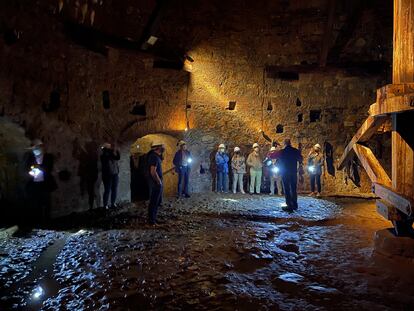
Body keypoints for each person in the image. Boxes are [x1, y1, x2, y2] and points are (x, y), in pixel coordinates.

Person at [25, 139, 56, 225]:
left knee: (46, 203)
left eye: (37, 147)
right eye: (33, 148)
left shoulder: (48, 157)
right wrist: (30, 172)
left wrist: (38, 167)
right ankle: (38, 222)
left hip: (45, 184)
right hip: (35, 184)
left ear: (41, 147)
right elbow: (27, 168)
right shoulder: (30, 158)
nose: (35, 149)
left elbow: (48, 169)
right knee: (36, 203)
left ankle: (47, 222)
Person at [278, 139, 303, 211]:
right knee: (293, 189)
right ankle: (295, 204)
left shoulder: (282, 152)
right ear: (290, 143)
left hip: (285, 173)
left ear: (284, 144)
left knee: (286, 189)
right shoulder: (295, 151)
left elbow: (272, 156)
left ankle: (289, 205)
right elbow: (300, 159)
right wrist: (299, 152)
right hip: (293, 172)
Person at [147, 141, 165, 225]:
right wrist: (159, 182)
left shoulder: (156, 156)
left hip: (156, 182)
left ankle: (153, 219)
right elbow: (153, 171)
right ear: (157, 147)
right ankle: (151, 221)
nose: (164, 147)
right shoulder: (153, 157)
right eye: (162, 146)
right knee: (154, 202)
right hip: (155, 183)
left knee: (156, 202)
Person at [100, 142, 120, 209]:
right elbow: (113, 156)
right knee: (107, 190)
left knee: (114, 189)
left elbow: (117, 157)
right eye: (109, 148)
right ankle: (105, 205)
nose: (110, 149)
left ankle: (113, 203)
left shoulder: (111, 154)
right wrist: (114, 150)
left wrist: (116, 150)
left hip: (115, 174)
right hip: (107, 175)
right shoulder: (104, 155)